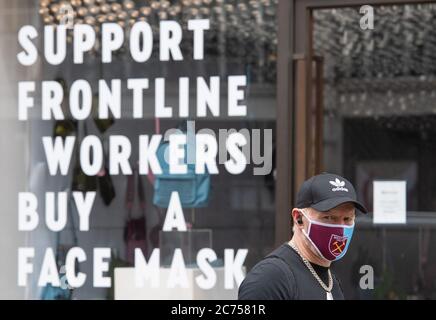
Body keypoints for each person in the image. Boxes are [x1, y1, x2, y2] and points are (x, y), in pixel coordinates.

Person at [238, 172, 368, 300]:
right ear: (299, 218)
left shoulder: (330, 281)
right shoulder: (270, 279)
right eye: (329, 217)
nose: (340, 228)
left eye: (347, 218)